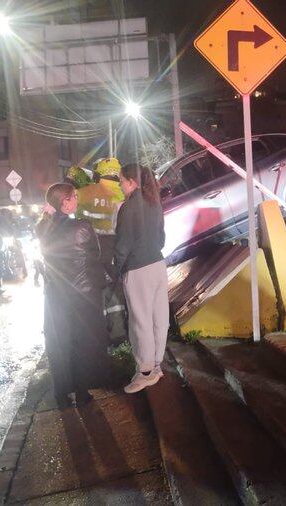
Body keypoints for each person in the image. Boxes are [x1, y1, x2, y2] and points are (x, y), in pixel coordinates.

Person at [37, 183, 111, 408]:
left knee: (59, 343)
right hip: (82, 295)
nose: (77, 200)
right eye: (74, 197)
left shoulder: (43, 229)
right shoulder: (83, 227)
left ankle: (61, 395)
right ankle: (82, 391)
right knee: (82, 342)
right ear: (65, 202)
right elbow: (95, 256)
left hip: (55, 296)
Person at [114, 163, 168, 394]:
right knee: (159, 318)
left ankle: (144, 372)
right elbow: (162, 237)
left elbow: (123, 244)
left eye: (121, 181)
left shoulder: (129, 207)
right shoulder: (154, 202)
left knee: (140, 322)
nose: (119, 185)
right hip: (158, 264)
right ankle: (156, 364)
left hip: (138, 269)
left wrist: (117, 267)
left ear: (131, 182)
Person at [77, 157, 125, 281]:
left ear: (98, 175)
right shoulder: (126, 192)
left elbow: (77, 219)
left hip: (93, 247)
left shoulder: (85, 192)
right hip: (119, 246)